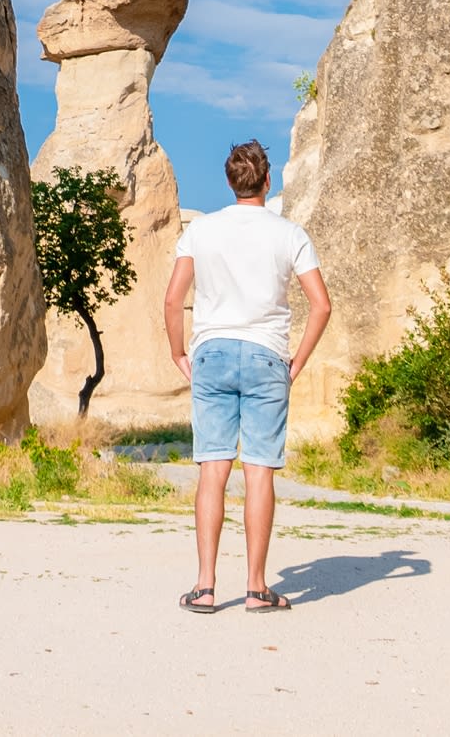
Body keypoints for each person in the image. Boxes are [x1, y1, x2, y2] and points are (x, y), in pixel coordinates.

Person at [164, 139, 330, 614]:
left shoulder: (203, 231)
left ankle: (205, 586)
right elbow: (321, 304)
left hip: (212, 353)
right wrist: (295, 362)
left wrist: (179, 352)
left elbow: (174, 299)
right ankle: (257, 589)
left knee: (212, 470)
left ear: (229, 180)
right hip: (267, 357)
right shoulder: (290, 234)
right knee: (259, 472)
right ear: (267, 179)